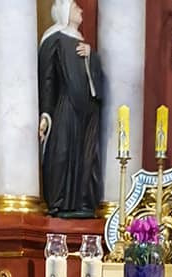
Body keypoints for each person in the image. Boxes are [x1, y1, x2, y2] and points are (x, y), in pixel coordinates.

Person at [38, 0, 104, 218]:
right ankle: (58, 201)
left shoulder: (84, 44)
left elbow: (96, 76)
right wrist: (45, 113)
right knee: (62, 151)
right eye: (76, 7)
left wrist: (91, 56)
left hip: (88, 111)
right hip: (66, 106)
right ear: (65, 12)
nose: (81, 10)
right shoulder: (54, 39)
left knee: (86, 156)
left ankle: (83, 202)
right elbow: (48, 79)